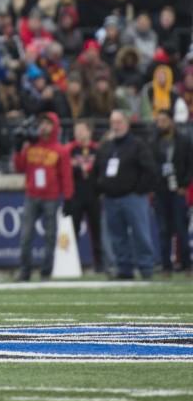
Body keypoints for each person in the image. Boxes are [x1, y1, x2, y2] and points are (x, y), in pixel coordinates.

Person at [96, 111, 157, 280]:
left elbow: (150, 170)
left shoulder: (137, 145)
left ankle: (146, 268)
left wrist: (139, 190)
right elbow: (98, 169)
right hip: (111, 198)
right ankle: (124, 268)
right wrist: (101, 188)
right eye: (112, 122)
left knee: (140, 233)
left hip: (133, 197)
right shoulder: (107, 146)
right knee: (117, 236)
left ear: (127, 123)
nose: (115, 125)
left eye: (119, 121)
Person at [13, 112, 73, 281]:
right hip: (32, 195)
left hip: (51, 197)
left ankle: (46, 270)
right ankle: (25, 270)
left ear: (55, 127)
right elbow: (19, 167)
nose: (43, 126)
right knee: (25, 235)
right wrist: (17, 150)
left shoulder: (60, 150)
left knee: (50, 236)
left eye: (48, 123)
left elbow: (66, 176)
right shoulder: (31, 147)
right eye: (42, 123)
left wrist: (68, 198)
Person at [151, 110, 193, 275]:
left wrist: (184, 185)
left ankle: (187, 264)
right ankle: (166, 265)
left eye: (164, 120)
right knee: (163, 229)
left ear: (171, 121)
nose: (160, 124)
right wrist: (154, 187)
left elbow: (190, 164)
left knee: (181, 228)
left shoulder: (183, 141)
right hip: (161, 191)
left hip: (178, 190)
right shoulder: (153, 142)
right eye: (158, 121)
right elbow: (151, 167)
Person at [66, 121, 104, 273]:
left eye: (82, 130)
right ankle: (71, 263)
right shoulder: (69, 149)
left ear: (89, 132)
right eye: (76, 131)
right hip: (76, 194)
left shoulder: (97, 149)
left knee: (96, 231)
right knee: (72, 231)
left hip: (94, 194)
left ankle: (100, 264)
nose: (79, 134)